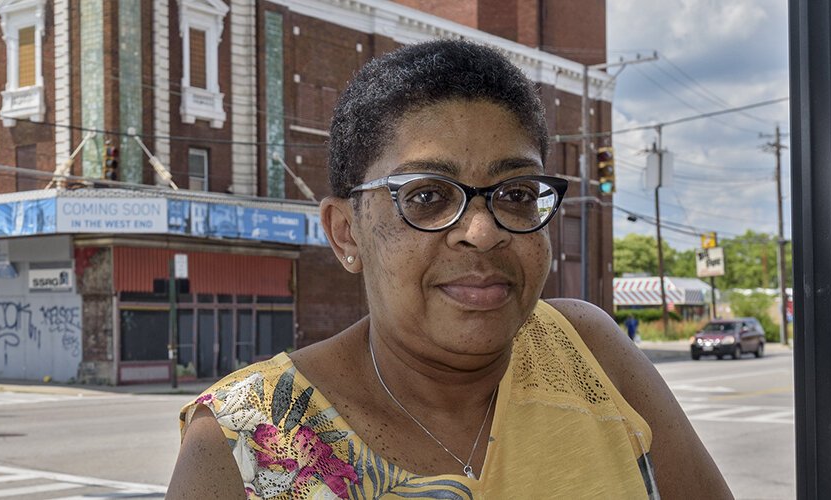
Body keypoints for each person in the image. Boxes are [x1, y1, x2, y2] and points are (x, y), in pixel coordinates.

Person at [168, 40, 730, 499]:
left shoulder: (588, 353)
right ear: (346, 232)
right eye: (427, 196)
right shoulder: (240, 440)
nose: (482, 232)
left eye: (515, 192)